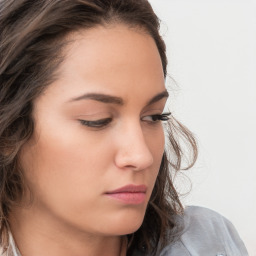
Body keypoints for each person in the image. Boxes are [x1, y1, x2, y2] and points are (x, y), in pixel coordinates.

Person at [0, 0, 249, 255]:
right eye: (97, 120)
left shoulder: (206, 245)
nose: (142, 156)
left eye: (153, 117)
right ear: (8, 129)